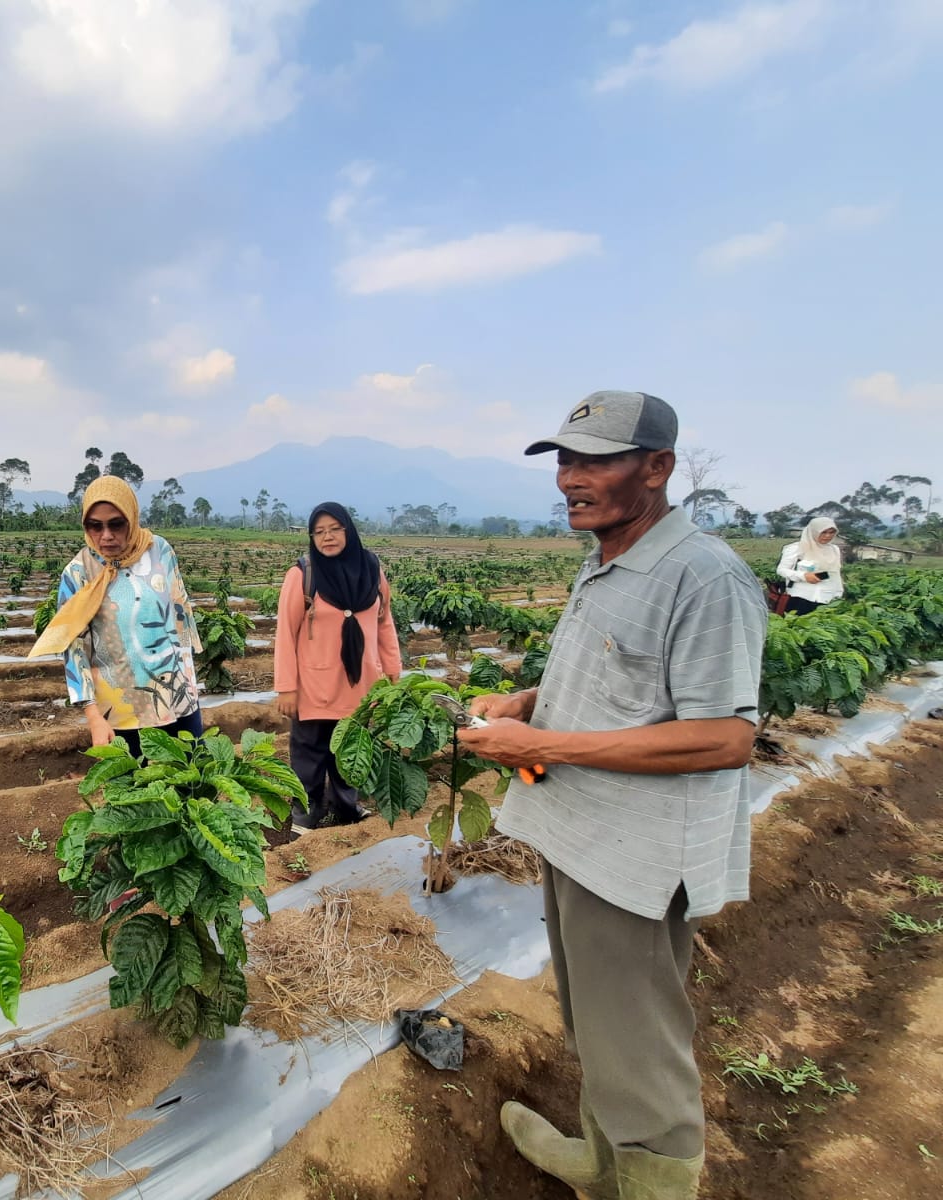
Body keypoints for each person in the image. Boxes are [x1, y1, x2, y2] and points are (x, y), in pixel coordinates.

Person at [459, 391, 767, 1200]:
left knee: (639, 1038)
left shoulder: (703, 577)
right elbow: (611, 680)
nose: (570, 479)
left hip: (635, 855)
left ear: (658, 467)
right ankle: (601, 1162)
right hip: (580, 832)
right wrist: (525, 703)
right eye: (565, 460)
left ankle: (652, 1179)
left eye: (594, 460)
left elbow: (725, 736)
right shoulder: (604, 560)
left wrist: (542, 744)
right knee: (597, 1020)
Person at [28, 476, 202, 757]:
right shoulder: (78, 573)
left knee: (192, 787)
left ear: (131, 519)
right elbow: (75, 650)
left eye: (116, 524)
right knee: (131, 795)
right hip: (121, 713)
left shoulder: (160, 551)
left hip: (177, 701)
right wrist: (93, 716)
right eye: (95, 526)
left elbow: (180, 619)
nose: (106, 535)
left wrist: (190, 686)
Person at [274, 502, 401, 830]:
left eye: (334, 529)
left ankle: (347, 807)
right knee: (309, 756)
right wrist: (287, 687)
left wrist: (392, 671)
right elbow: (286, 635)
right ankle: (305, 815)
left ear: (348, 530)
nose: (326, 537)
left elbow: (384, 623)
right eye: (319, 532)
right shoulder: (303, 575)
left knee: (350, 751)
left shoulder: (372, 569)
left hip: (360, 684)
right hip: (314, 686)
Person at [775, 516, 843, 615]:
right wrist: (803, 576)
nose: (828, 536)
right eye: (823, 532)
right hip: (800, 598)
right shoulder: (796, 548)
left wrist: (838, 594)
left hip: (826, 599)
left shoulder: (834, 550)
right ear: (814, 531)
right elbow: (781, 570)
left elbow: (835, 574)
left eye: (831, 532)